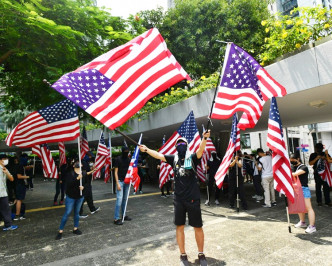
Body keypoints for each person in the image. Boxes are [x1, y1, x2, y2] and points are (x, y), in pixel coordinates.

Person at [139, 130, 211, 266]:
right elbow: (158, 155)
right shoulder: (173, 159)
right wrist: (147, 149)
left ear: (187, 145)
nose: (181, 145)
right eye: (178, 144)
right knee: (180, 226)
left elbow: (201, 150)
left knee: (198, 227)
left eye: (183, 143)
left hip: (193, 199)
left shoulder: (193, 157)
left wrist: (205, 138)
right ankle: (183, 255)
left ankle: (201, 254)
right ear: (176, 147)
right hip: (179, 199)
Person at [56, 157, 85, 240]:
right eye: (76, 162)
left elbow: (86, 184)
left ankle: (75, 228)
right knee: (67, 212)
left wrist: (83, 187)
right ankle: (60, 231)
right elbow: (69, 185)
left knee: (77, 213)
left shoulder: (83, 173)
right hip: (71, 197)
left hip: (80, 197)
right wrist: (77, 179)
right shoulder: (70, 174)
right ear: (73, 165)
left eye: (79, 162)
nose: (78, 163)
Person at [290, 154, 316, 233]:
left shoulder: (303, 167)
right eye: (290, 160)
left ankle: (312, 226)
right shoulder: (293, 167)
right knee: (299, 207)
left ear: (298, 159)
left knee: (309, 208)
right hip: (296, 189)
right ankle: (302, 222)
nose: (291, 162)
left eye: (292, 160)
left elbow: (294, 174)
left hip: (303, 189)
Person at [113, 146, 132, 225]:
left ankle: (123, 215)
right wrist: (117, 183)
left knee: (125, 199)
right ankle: (116, 218)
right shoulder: (118, 159)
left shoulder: (129, 160)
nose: (126, 152)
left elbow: (130, 170)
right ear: (123, 151)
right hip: (120, 181)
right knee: (119, 200)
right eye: (125, 151)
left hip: (127, 181)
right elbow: (115, 172)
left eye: (128, 151)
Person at [0, 154, 18, 231]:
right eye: (4, 159)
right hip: (2, 193)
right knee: (5, 209)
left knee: (3, 209)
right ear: (0, 160)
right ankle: (8, 225)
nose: (6, 160)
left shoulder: (4, 168)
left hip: (3, 192)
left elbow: (11, 179)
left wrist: (6, 172)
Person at [79, 154, 100, 218]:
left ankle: (92, 209)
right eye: (90, 156)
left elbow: (87, 170)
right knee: (83, 198)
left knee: (89, 197)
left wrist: (92, 169)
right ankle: (79, 213)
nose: (90, 158)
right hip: (84, 182)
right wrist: (93, 170)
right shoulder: (83, 162)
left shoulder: (85, 162)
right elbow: (85, 173)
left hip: (87, 182)